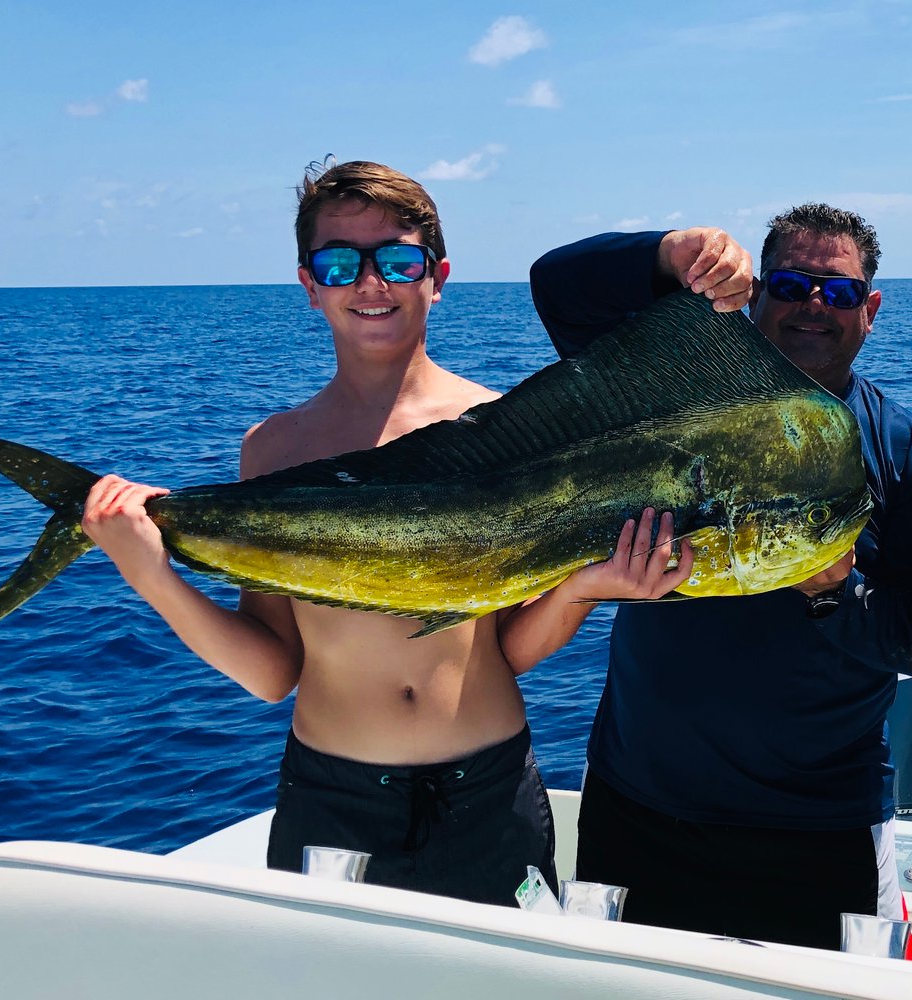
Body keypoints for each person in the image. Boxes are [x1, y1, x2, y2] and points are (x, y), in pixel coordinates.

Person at [77, 160, 679, 905]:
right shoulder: (274, 450)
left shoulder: (508, 429)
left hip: (489, 793)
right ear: (308, 284)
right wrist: (150, 575)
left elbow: (508, 649)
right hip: (335, 799)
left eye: (397, 260)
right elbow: (272, 672)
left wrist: (586, 588)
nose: (371, 283)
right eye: (340, 263)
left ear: (438, 276)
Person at [520, 206, 912, 949]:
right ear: (753, 296)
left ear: (869, 311)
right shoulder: (676, 397)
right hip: (639, 805)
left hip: (822, 828)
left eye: (837, 293)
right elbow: (558, 286)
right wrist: (669, 251)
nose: (813, 305)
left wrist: (832, 594)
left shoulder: (905, 450)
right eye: (788, 284)